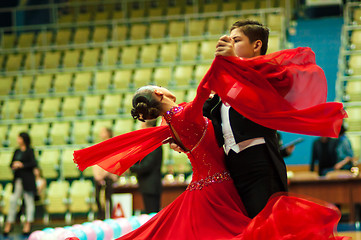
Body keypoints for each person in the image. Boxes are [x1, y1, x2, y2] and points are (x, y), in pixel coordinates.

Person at [73, 46, 347, 239]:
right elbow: (206, 87)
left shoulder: (172, 123)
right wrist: (225, 61)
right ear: (159, 92)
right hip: (219, 186)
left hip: (208, 183)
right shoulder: (184, 113)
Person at [3, 132, 37, 236]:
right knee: (13, 200)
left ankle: (28, 224)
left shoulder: (30, 150)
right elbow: (11, 163)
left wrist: (22, 165)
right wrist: (14, 165)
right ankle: (9, 223)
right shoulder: (17, 151)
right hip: (18, 180)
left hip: (28, 180)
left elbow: (33, 163)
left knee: (28, 202)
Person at [130, 120, 163, 214]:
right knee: (150, 212)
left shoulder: (154, 143)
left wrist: (131, 168)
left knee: (152, 213)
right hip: (147, 184)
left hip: (151, 185)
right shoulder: (149, 143)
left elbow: (147, 165)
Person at [92, 127, 118, 219]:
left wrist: (104, 174)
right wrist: (97, 175)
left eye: (103, 131)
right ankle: (100, 216)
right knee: (98, 198)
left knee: (108, 198)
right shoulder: (100, 145)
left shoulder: (112, 145)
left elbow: (111, 161)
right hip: (99, 175)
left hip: (108, 175)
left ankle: (108, 217)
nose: (100, 133)